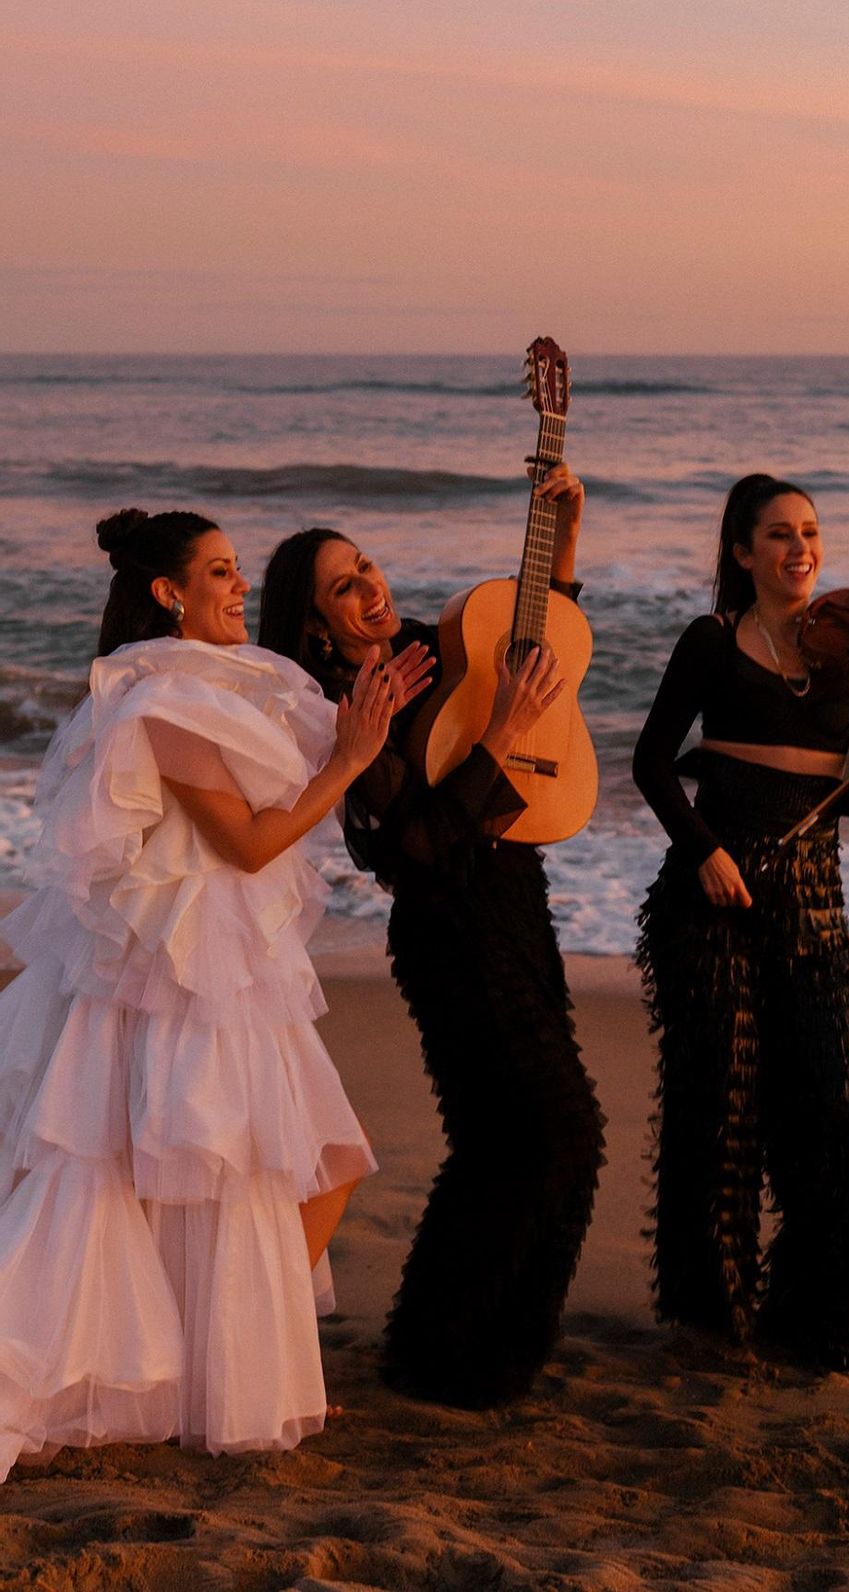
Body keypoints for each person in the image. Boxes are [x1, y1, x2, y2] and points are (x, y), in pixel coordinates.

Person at [0, 506, 426, 1478]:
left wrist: (365, 726)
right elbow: (249, 842)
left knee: (277, 1168)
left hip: (225, 958)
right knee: (203, 1176)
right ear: (169, 594)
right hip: (181, 962)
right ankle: (189, 1377)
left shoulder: (217, 683)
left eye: (239, 573)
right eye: (222, 574)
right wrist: (353, 758)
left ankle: (208, 1371)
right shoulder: (159, 698)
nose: (240, 591)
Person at [257, 462, 605, 1409]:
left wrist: (560, 526)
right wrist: (502, 734)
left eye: (367, 567)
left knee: (508, 1140)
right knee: (553, 1132)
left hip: (516, 901)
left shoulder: (423, 646)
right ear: (312, 624)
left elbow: (541, 640)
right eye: (343, 586)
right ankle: (451, 1349)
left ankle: (469, 1352)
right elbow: (418, 849)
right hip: (449, 931)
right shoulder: (344, 706)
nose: (372, 588)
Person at [632, 474, 849, 1368]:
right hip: (711, 893)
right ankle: (711, 1317)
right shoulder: (711, 642)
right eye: (777, 534)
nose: (799, 548)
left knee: (832, 1109)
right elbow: (652, 761)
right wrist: (703, 849)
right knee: (720, 1109)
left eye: (810, 531)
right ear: (743, 554)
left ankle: (816, 1318)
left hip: (812, 896)